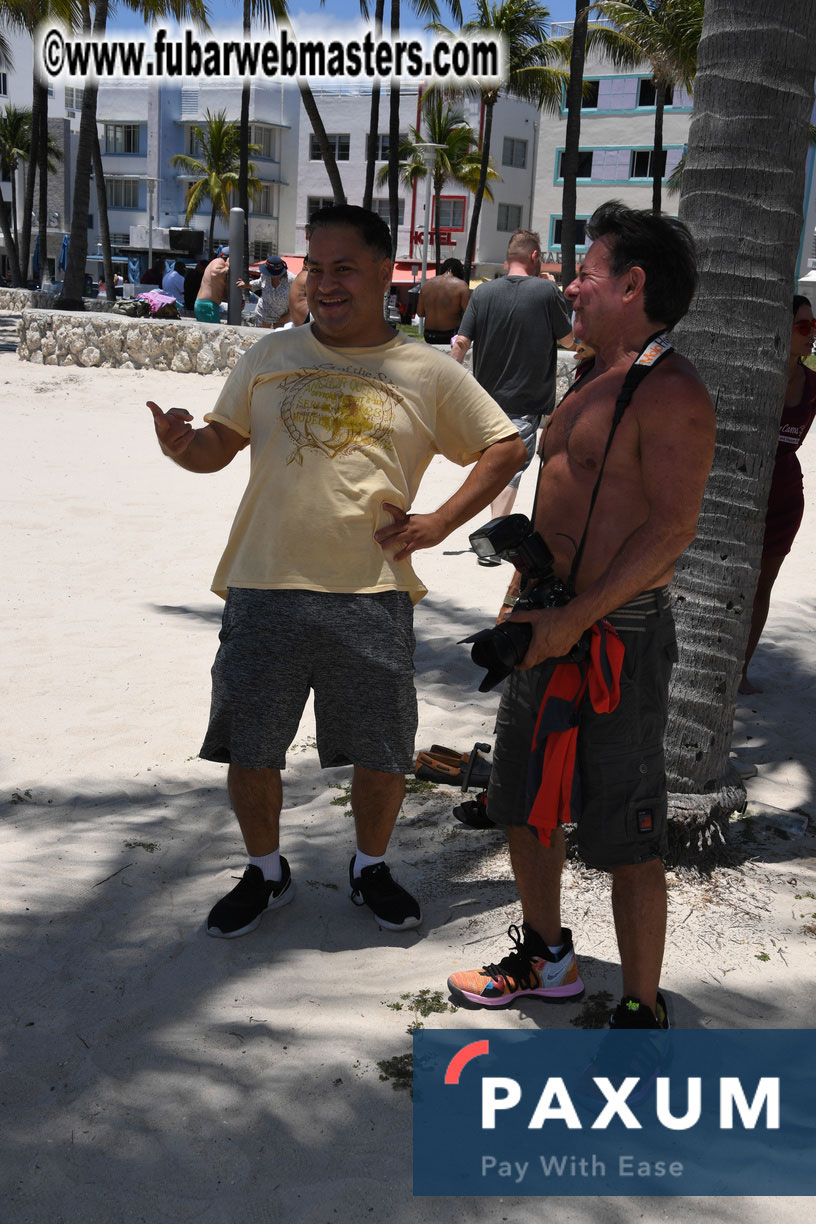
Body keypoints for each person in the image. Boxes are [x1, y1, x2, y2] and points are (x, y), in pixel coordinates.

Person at [146, 204, 526, 941]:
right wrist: (177, 445)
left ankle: (370, 867)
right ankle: (265, 872)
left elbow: (505, 447)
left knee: (381, 753)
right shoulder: (269, 353)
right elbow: (214, 449)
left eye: (343, 267)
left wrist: (440, 524)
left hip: (372, 593)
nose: (324, 283)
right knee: (251, 747)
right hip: (262, 584)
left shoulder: (423, 368)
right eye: (314, 268)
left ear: (386, 272)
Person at [447, 201, 716, 1029]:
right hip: (545, 618)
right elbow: (562, 494)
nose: (570, 285)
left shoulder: (671, 391)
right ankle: (547, 958)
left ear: (633, 285)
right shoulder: (589, 373)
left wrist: (578, 618)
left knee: (628, 828)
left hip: (618, 634)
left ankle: (641, 1006)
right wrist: (525, 591)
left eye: (588, 274)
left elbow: (670, 532)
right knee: (523, 800)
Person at [451, 231, 574, 562]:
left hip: (483, 404)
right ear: (535, 257)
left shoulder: (484, 292)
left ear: (509, 258)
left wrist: (445, 385)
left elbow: (461, 343)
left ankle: (492, 535)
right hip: (523, 404)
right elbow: (568, 341)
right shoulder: (547, 291)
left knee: (496, 467)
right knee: (510, 470)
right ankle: (492, 542)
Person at [740, 295, 816, 694]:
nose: (811, 334)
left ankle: (743, 669)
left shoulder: (814, 384)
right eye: (803, 327)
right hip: (740, 488)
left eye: (813, 326)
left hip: (786, 494)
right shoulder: (752, 376)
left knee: (761, 589)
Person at [417, 258, 471, 347]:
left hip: (428, 335)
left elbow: (420, 313)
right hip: (450, 335)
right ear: (459, 271)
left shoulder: (426, 284)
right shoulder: (461, 286)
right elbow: (468, 316)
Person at [236, 254, 294, 328]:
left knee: (279, 337)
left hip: (282, 317)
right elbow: (259, 283)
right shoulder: (265, 275)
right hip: (263, 313)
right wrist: (246, 285)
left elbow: (300, 299)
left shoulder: (291, 280)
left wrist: (289, 314)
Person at [195, 247, 229, 323]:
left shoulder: (221, 268)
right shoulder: (219, 261)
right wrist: (227, 267)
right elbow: (214, 273)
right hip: (207, 304)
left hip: (207, 304)